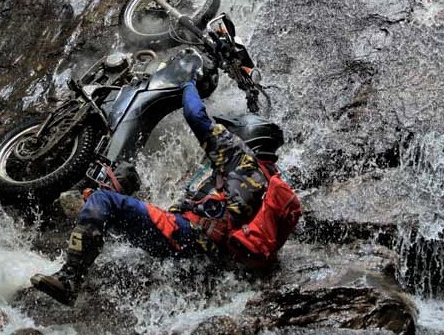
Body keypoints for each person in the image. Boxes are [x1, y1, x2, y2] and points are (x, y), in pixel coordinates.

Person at [30, 51, 286, 306]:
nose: (227, 132)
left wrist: (189, 82)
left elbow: (196, 116)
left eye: (234, 128)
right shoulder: (266, 178)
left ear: (248, 133)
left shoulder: (240, 156)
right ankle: (90, 219)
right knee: (125, 179)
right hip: (209, 253)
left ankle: (70, 278)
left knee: (103, 201)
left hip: (186, 235)